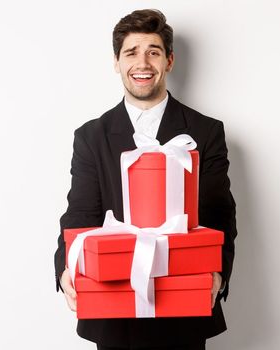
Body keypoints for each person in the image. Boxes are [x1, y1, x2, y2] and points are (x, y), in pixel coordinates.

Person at [53, 9, 237, 350]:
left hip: (184, 308)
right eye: (131, 53)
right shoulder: (91, 136)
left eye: (153, 52)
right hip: (113, 309)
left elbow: (218, 214)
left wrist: (217, 272)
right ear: (116, 62)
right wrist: (66, 266)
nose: (143, 63)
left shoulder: (206, 131)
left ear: (169, 61)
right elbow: (80, 212)